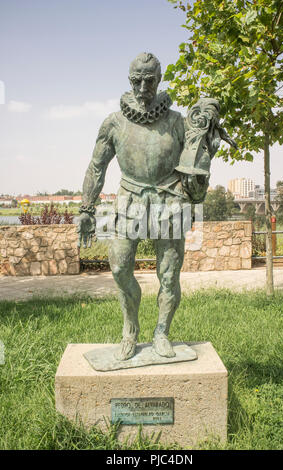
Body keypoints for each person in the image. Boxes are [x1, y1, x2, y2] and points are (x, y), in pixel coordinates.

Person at [77, 52, 212, 361]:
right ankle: (130, 328)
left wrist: (205, 135)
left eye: (148, 81)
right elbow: (97, 167)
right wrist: (86, 208)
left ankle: (162, 332)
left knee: (169, 275)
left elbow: (196, 161)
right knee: (120, 267)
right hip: (130, 201)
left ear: (158, 80)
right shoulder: (114, 122)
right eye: (136, 81)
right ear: (129, 81)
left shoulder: (177, 122)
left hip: (169, 202)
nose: (142, 88)